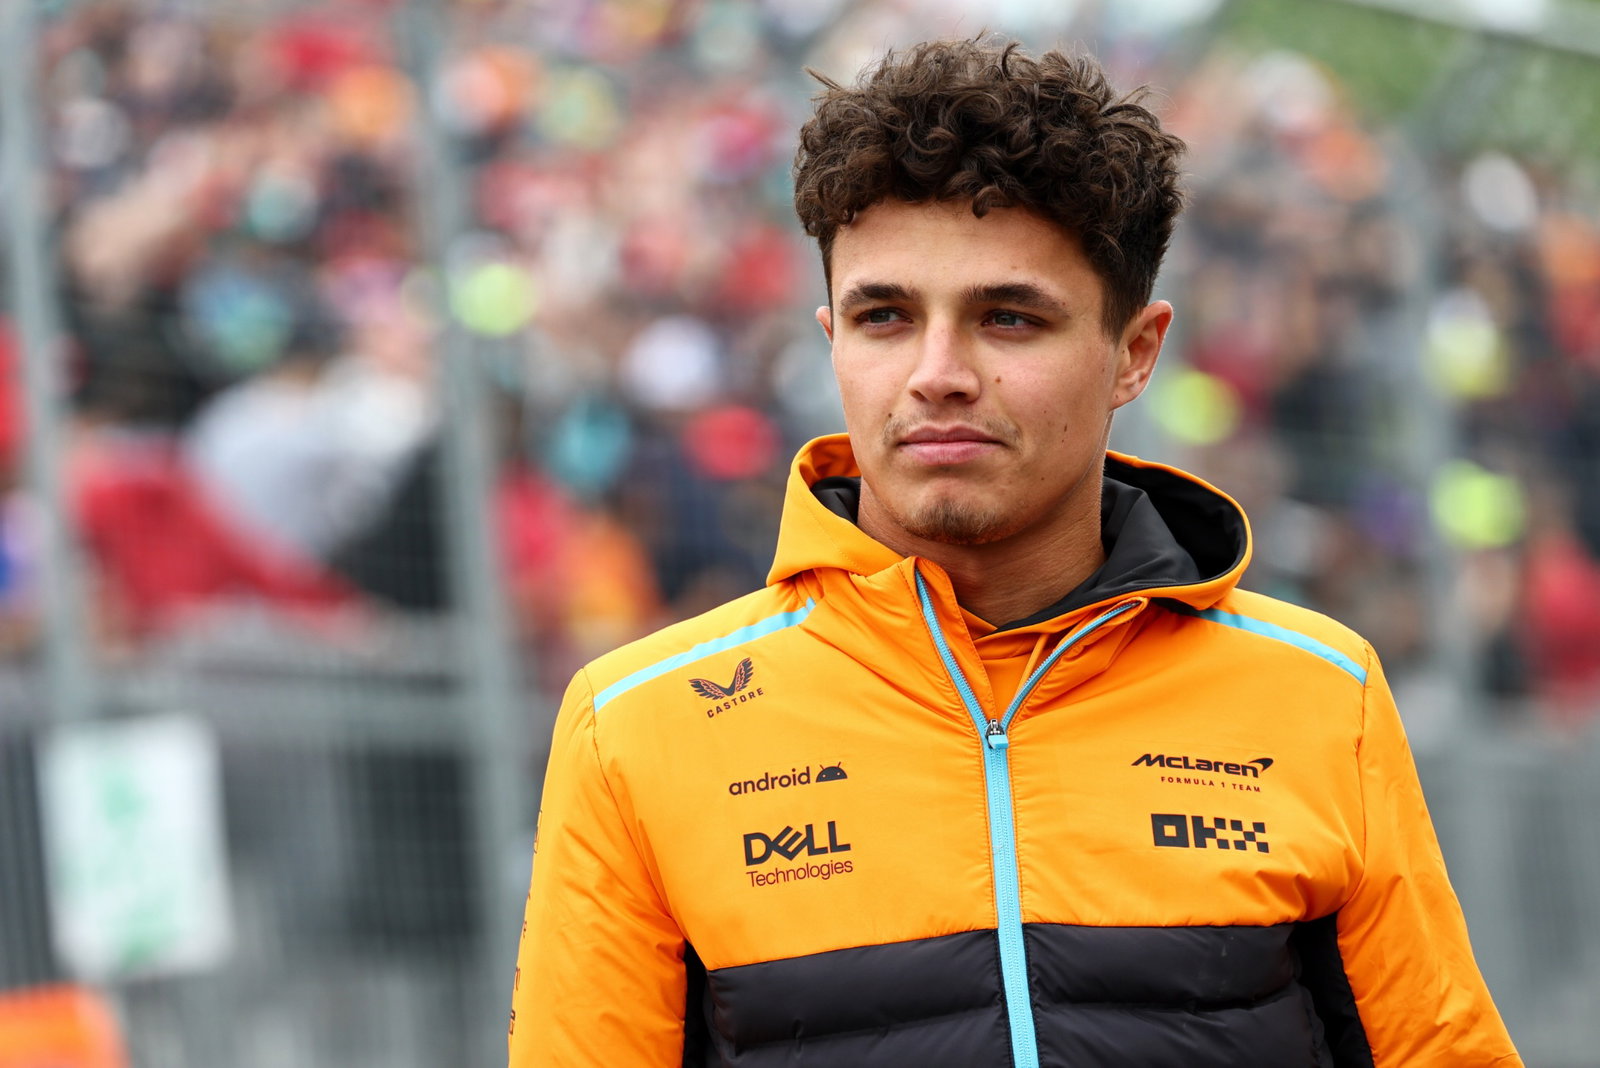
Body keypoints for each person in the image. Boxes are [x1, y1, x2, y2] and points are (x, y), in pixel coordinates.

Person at [508, 37, 1522, 1067]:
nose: (937, 374)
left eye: (1007, 318)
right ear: (830, 340)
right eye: (885, 317)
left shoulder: (1320, 695)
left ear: (1134, 352)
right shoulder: (635, 729)